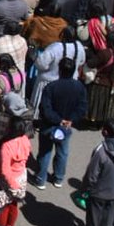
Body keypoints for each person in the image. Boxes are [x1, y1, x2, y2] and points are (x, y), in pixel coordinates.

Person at [34, 57, 86, 189]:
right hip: (66, 127)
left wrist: (58, 120)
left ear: (60, 70)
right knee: (62, 152)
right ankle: (58, 178)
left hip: (49, 125)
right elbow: (82, 108)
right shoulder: (79, 87)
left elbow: (45, 108)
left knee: (45, 152)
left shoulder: (51, 87)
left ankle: (40, 179)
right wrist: (70, 120)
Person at [0, 118, 31, 226]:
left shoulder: (7, 145)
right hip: (20, 177)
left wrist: (11, 184)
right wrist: (17, 186)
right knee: (13, 205)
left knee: (2, 207)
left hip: (6, 181)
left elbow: (4, 170)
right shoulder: (25, 140)